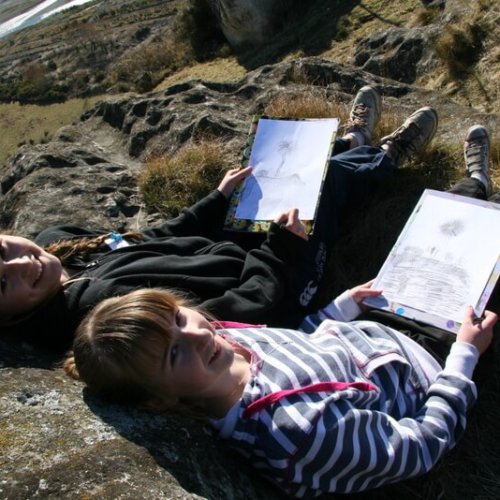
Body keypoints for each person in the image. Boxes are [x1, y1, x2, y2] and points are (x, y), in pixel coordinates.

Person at [63, 123, 499, 496]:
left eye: (178, 319)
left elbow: (301, 343)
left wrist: (341, 308)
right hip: (430, 361)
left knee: (441, 237)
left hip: (374, 328)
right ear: (158, 401)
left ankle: (474, 186)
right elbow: (418, 447)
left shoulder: (225, 345)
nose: (195, 335)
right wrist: (464, 358)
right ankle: (478, 189)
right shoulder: (300, 435)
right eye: (172, 353)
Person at [0, 86, 438, 350]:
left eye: (4, 250)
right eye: (2, 282)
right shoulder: (95, 320)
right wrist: (281, 251)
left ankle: (350, 140)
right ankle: (385, 157)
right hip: (277, 284)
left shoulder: (59, 244)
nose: (23, 263)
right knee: (322, 194)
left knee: (281, 176)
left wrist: (215, 199)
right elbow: (236, 315)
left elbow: (148, 237)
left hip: (232, 248)